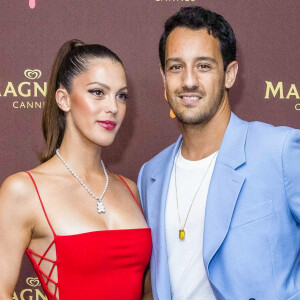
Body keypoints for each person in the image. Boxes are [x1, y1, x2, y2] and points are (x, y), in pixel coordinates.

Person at [137, 6, 300, 300]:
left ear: (229, 74)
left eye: (203, 66)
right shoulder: (151, 175)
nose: (188, 81)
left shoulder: (280, 150)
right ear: (163, 77)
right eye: (176, 67)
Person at [0, 40, 152, 300]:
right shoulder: (23, 191)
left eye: (121, 95)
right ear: (63, 99)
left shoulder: (130, 189)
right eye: (97, 92)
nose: (113, 107)